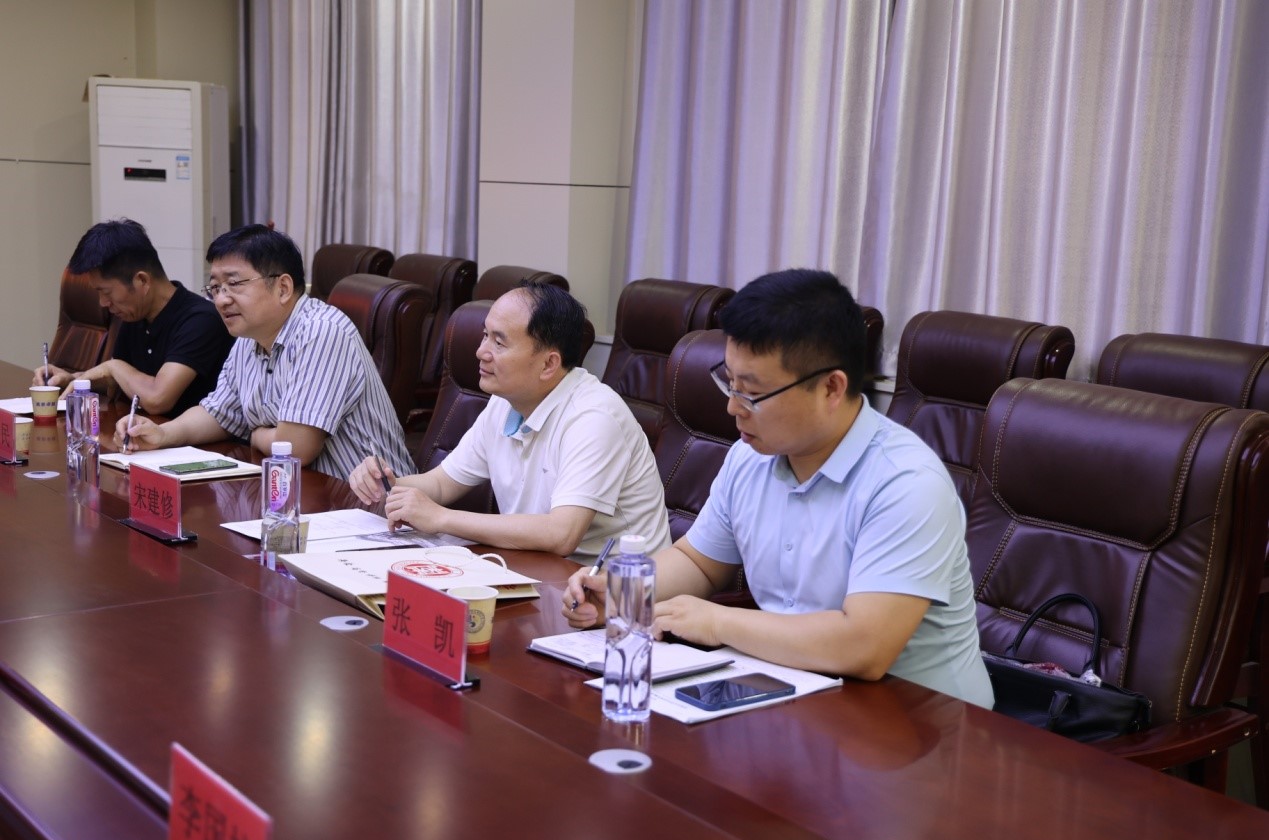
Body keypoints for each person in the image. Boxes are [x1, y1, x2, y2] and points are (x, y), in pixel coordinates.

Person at [563, 269, 994, 708]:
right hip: (798, 692)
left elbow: (864, 647)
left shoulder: (905, 484)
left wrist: (716, 623)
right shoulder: (751, 457)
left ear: (831, 388)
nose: (732, 407)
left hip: (920, 721)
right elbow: (699, 563)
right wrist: (622, 595)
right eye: (729, 382)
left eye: (751, 393)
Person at [348, 282, 671, 567]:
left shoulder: (594, 418)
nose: (481, 351)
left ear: (549, 364)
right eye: (485, 335)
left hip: (618, 592)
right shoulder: (505, 403)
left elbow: (561, 534)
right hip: (537, 571)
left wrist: (441, 518)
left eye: (499, 343)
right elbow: (442, 484)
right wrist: (389, 484)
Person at [116, 224, 415, 480]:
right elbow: (218, 413)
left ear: (283, 288)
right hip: (301, 494)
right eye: (215, 288)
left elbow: (296, 447)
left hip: (374, 508)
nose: (221, 300)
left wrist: (257, 435)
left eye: (234, 284)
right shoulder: (249, 338)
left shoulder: (321, 331)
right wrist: (161, 434)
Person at [33, 219, 232, 415]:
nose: (102, 302)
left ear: (141, 280)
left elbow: (157, 398)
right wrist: (73, 380)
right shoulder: (134, 316)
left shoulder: (200, 320)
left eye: (106, 292)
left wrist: (113, 366)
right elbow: (119, 382)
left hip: (189, 435)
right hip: (141, 430)